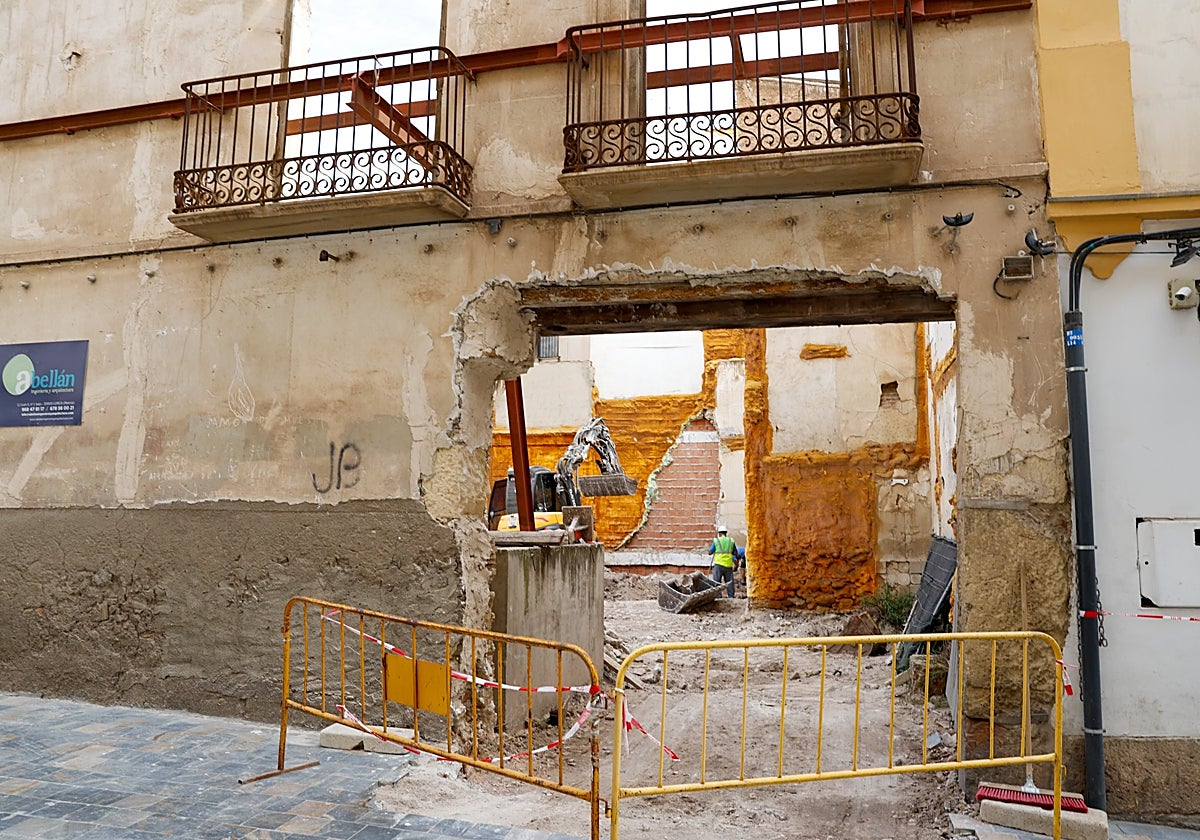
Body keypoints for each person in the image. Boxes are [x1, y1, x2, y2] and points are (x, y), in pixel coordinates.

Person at [707, 525, 740, 597]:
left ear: (719, 533)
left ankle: (719, 597)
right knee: (729, 582)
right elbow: (735, 553)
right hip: (728, 564)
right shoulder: (731, 540)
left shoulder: (716, 541)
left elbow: (710, 552)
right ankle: (731, 597)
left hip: (718, 564)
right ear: (726, 533)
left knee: (717, 582)